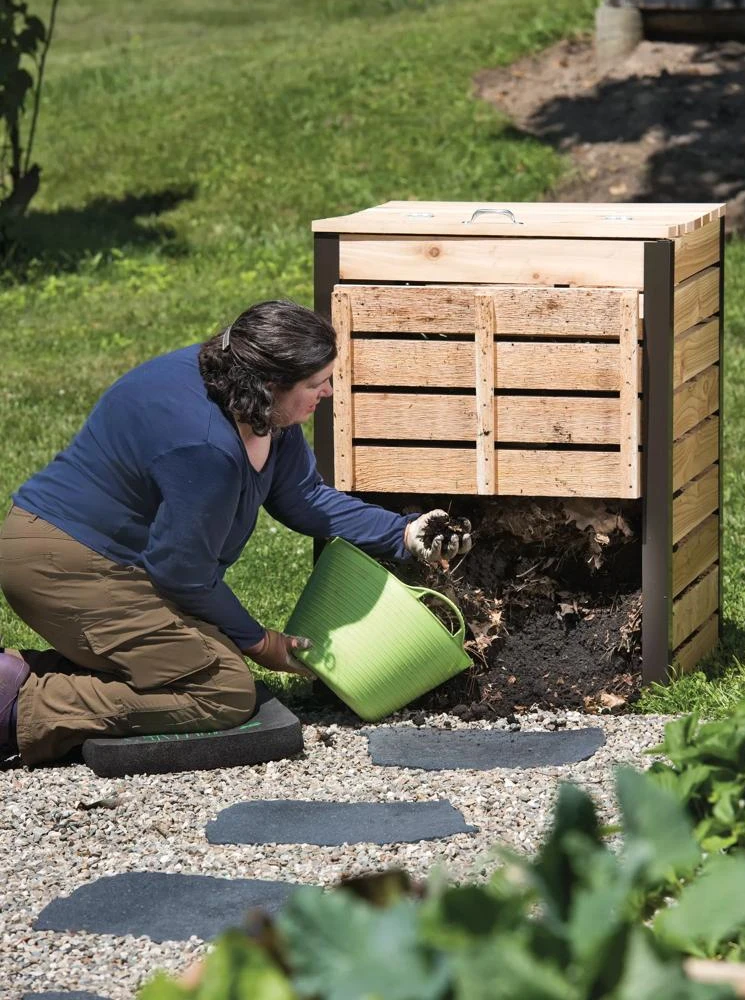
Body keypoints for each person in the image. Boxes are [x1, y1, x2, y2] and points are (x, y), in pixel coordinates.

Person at [0, 299, 471, 767]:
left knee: (204, 659)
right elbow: (182, 572)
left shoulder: (249, 395)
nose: (327, 392)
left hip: (118, 561)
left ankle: (16, 674)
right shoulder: (207, 445)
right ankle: (16, 711)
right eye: (317, 383)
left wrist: (404, 533)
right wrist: (260, 642)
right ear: (270, 384)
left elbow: (302, 497)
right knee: (220, 690)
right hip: (63, 565)